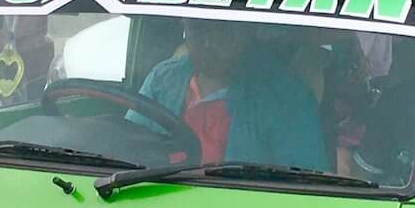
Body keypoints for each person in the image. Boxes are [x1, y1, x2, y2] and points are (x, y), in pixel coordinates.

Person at [131, 18, 326, 167]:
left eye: (222, 32)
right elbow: (126, 141)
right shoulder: (162, 79)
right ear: (185, 30)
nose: (209, 44)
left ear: (246, 32)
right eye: (198, 30)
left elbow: (303, 181)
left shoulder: (285, 97)